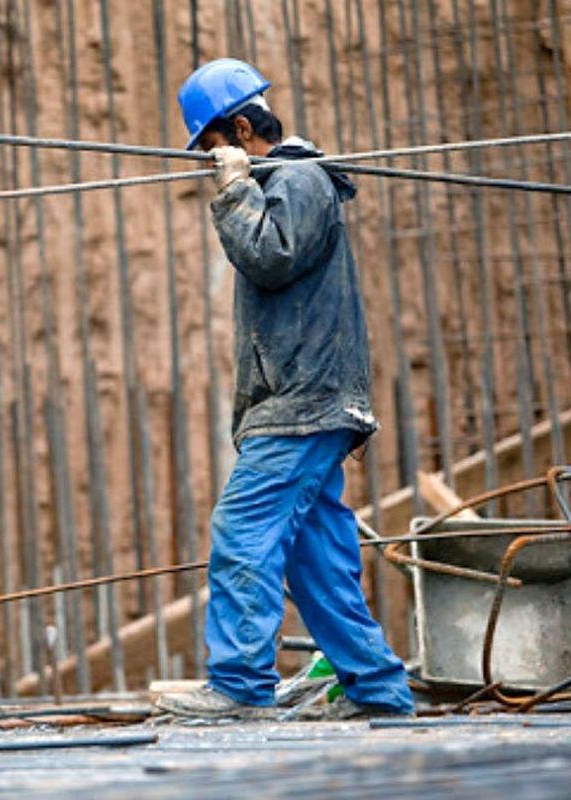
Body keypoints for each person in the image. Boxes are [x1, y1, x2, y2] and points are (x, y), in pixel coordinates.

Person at [156, 58, 414, 720]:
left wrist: (236, 191)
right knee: (317, 557)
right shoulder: (288, 181)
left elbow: (268, 258)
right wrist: (245, 184)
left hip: (300, 403)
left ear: (241, 128)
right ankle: (378, 689)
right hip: (308, 399)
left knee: (243, 529)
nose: (206, 165)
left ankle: (239, 684)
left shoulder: (300, 178)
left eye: (212, 148)